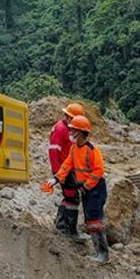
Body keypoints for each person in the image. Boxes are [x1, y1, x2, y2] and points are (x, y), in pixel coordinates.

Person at [41, 115, 109, 264]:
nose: (70, 133)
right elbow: (66, 165)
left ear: (80, 132)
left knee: (94, 220)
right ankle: (100, 252)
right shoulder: (73, 149)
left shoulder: (92, 150)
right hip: (87, 188)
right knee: (90, 219)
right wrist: (55, 179)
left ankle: (103, 254)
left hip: (95, 188)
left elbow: (98, 171)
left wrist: (86, 186)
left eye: (73, 130)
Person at [49, 102, 85, 239]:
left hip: (70, 169)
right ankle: (70, 231)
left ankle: (61, 225)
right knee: (72, 197)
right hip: (64, 170)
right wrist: (59, 174)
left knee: (70, 196)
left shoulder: (68, 129)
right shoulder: (60, 129)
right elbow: (53, 152)